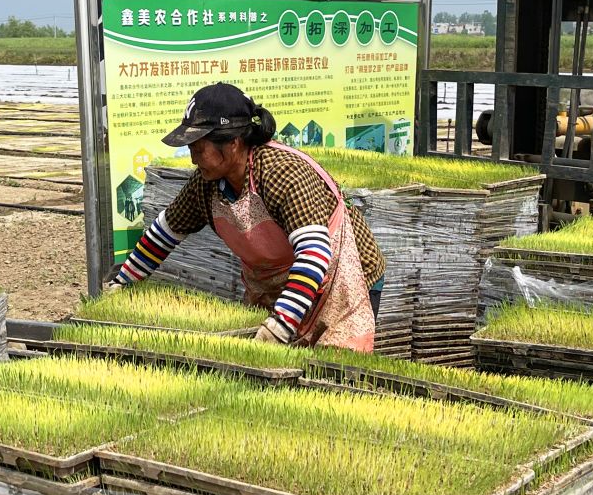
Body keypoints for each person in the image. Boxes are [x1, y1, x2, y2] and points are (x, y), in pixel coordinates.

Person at [106, 82, 384, 352]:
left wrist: (281, 324)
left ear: (233, 144)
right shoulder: (207, 184)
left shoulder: (282, 173)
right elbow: (163, 235)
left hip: (342, 277)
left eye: (198, 148)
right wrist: (121, 284)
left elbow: (314, 255)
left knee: (332, 374)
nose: (193, 159)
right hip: (284, 283)